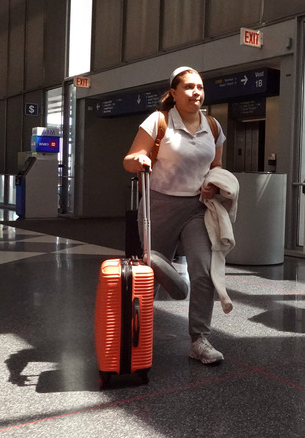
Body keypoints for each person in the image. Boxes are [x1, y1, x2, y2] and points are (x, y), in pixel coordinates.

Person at [123, 66, 227, 364]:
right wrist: (140, 158)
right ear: (174, 93)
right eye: (190, 87)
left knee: (203, 270)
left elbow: (217, 164)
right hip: (159, 205)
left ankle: (199, 339)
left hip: (196, 208)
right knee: (150, 273)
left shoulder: (213, 126)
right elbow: (129, 160)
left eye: (200, 87)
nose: (197, 92)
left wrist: (213, 182)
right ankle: (136, 334)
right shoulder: (158, 121)